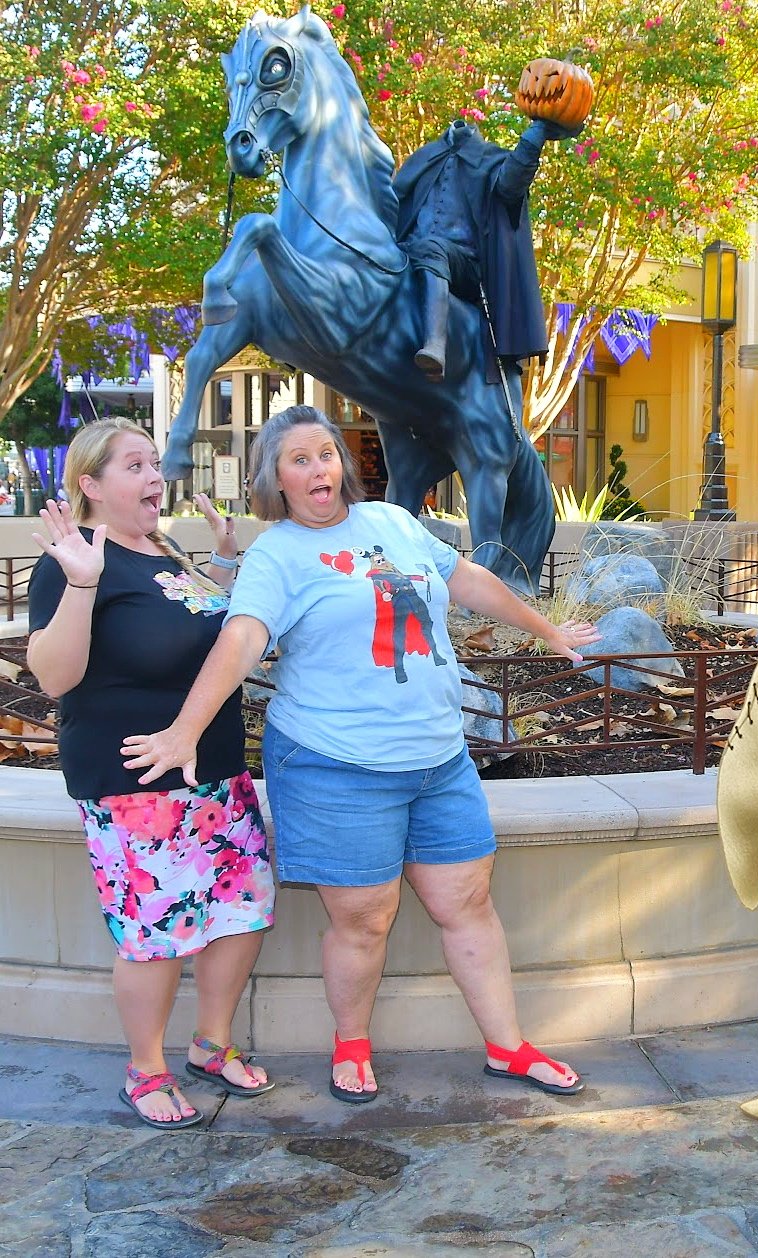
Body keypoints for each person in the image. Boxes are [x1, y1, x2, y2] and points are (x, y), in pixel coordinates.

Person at [123, 405, 598, 1102]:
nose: (320, 469)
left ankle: (509, 1047)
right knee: (364, 916)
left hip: (437, 758)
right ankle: (350, 1046)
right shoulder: (277, 555)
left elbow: (464, 580)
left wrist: (545, 630)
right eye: (300, 460)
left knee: (467, 901)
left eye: (327, 453)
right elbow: (243, 638)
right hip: (334, 762)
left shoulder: (393, 522)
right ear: (276, 480)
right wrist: (185, 729)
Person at [27, 418, 276, 1131]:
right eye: (133, 466)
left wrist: (223, 562)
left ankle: (211, 1044)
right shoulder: (76, 560)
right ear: (91, 486)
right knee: (158, 931)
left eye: (153, 464)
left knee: (239, 914)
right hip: (137, 782)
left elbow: (204, 633)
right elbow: (53, 676)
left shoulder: (161, 548)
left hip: (216, 772)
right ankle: (146, 1070)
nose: (152, 478)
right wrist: (80, 585)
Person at [393, 116, 579, 380]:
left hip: (464, 267)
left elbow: (512, 183)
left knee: (432, 247)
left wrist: (536, 134)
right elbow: (395, 201)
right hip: (410, 252)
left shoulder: (489, 159)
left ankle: (435, 344)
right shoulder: (424, 158)